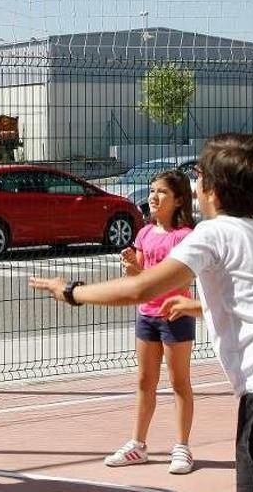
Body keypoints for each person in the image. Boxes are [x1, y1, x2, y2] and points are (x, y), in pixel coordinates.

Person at [29, 133, 253, 491]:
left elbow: (140, 288)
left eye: (199, 175)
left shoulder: (212, 233)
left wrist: (72, 291)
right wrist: (197, 305)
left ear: (211, 190)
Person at [105, 169, 196, 474]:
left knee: (179, 382)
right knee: (145, 382)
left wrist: (141, 275)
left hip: (175, 315)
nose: (153, 197)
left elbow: (172, 280)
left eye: (162, 193)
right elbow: (140, 281)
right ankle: (138, 445)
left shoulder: (184, 237)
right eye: (152, 190)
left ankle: (182, 447)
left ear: (179, 199)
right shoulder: (144, 233)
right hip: (146, 317)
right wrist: (131, 265)